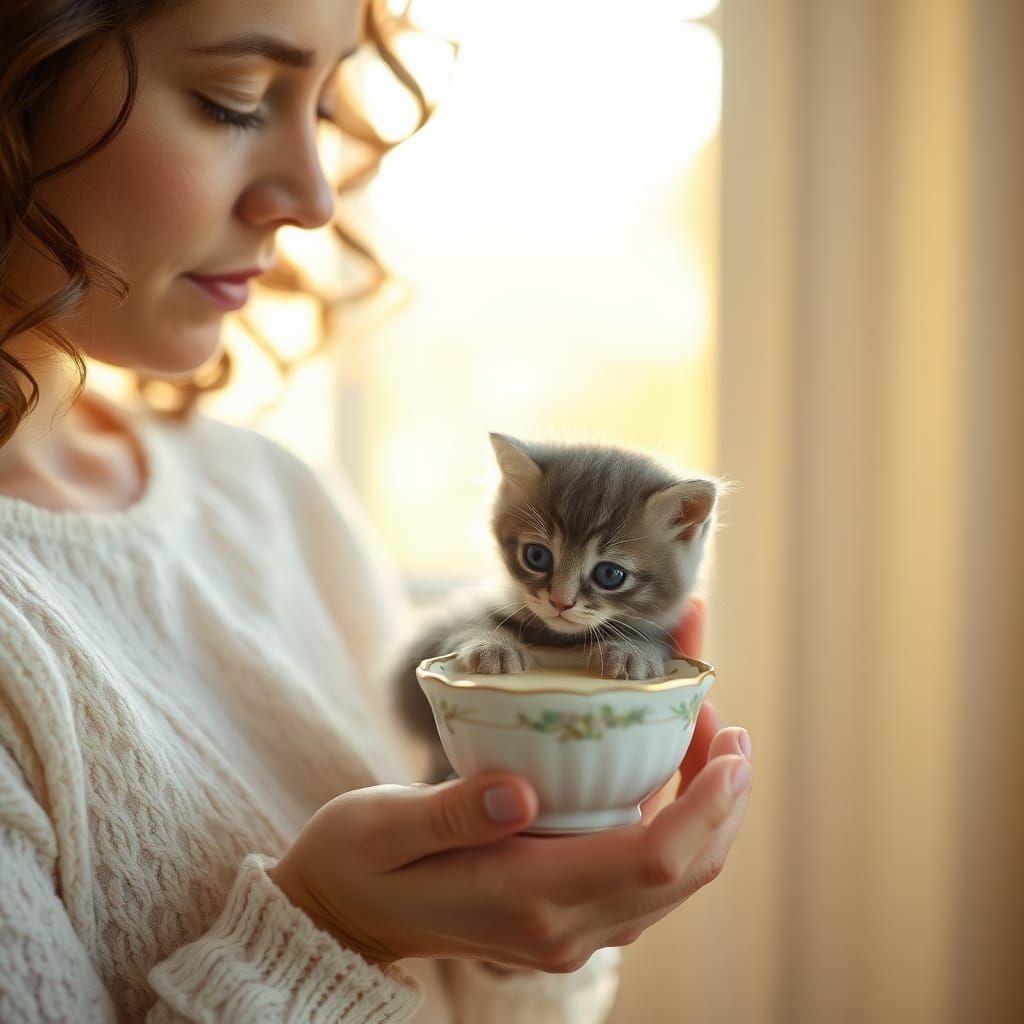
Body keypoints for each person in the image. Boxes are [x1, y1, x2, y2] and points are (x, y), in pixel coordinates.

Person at [0, 0, 754, 1021]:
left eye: (326, 99)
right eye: (236, 100)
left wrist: (531, 903)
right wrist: (332, 934)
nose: (314, 197)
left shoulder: (272, 499)